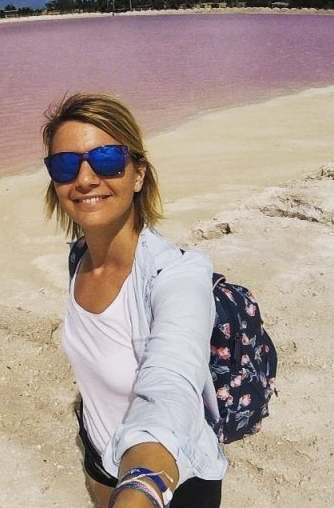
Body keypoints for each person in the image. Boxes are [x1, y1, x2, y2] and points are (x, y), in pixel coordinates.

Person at [42, 93, 227, 508]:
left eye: (106, 160)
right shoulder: (80, 258)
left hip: (169, 482)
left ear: (138, 173)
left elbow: (171, 381)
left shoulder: (177, 275)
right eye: (65, 165)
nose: (85, 179)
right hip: (100, 457)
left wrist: (141, 484)